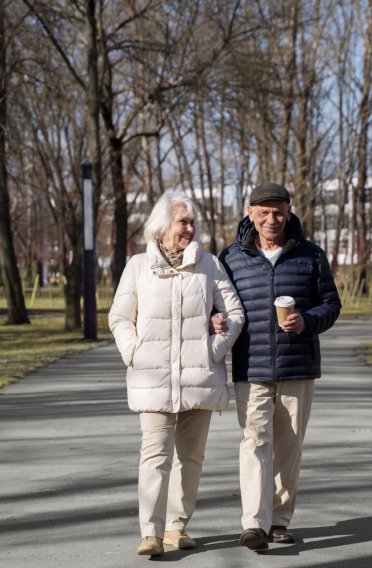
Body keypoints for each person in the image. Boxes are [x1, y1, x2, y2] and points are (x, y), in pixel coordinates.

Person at [109, 190, 245, 557]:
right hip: (152, 379)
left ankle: (176, 528)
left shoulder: (210, 265)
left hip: (198, 378)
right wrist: (133, 352)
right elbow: (120, 317)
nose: (190, 228)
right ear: (162, 224)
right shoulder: (138, 266)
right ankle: (150, 533)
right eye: (183, 221)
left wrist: (213, 349)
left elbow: (234, 314)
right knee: (154, 456)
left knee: (191, 458)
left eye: (192, 222)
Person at [217, 181, 341, 551]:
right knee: (255, 442)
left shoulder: (311, 255)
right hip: (250, 365)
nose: (272, 218)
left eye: (279, 210)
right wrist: (215, 320)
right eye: (264, 211)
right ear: (250, 213)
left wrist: (307, 319)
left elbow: (331, 304)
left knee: (288, 445)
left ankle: (279, 521)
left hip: (298, 365)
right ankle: (254, 522)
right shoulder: (231, 257)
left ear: (289, 211)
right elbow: (216, 304)